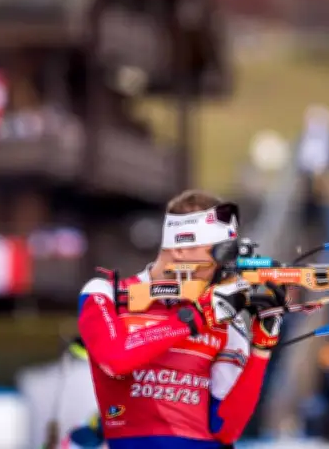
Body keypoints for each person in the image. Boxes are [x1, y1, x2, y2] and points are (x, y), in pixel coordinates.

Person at [78, 190, 293, 448]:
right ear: (180, 249)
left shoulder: (222, 315)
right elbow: (114, 359)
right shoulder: (107, 294)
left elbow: (225, 428)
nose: (224, 267)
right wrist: (195, 317)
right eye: (219, 254)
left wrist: (261, 347)